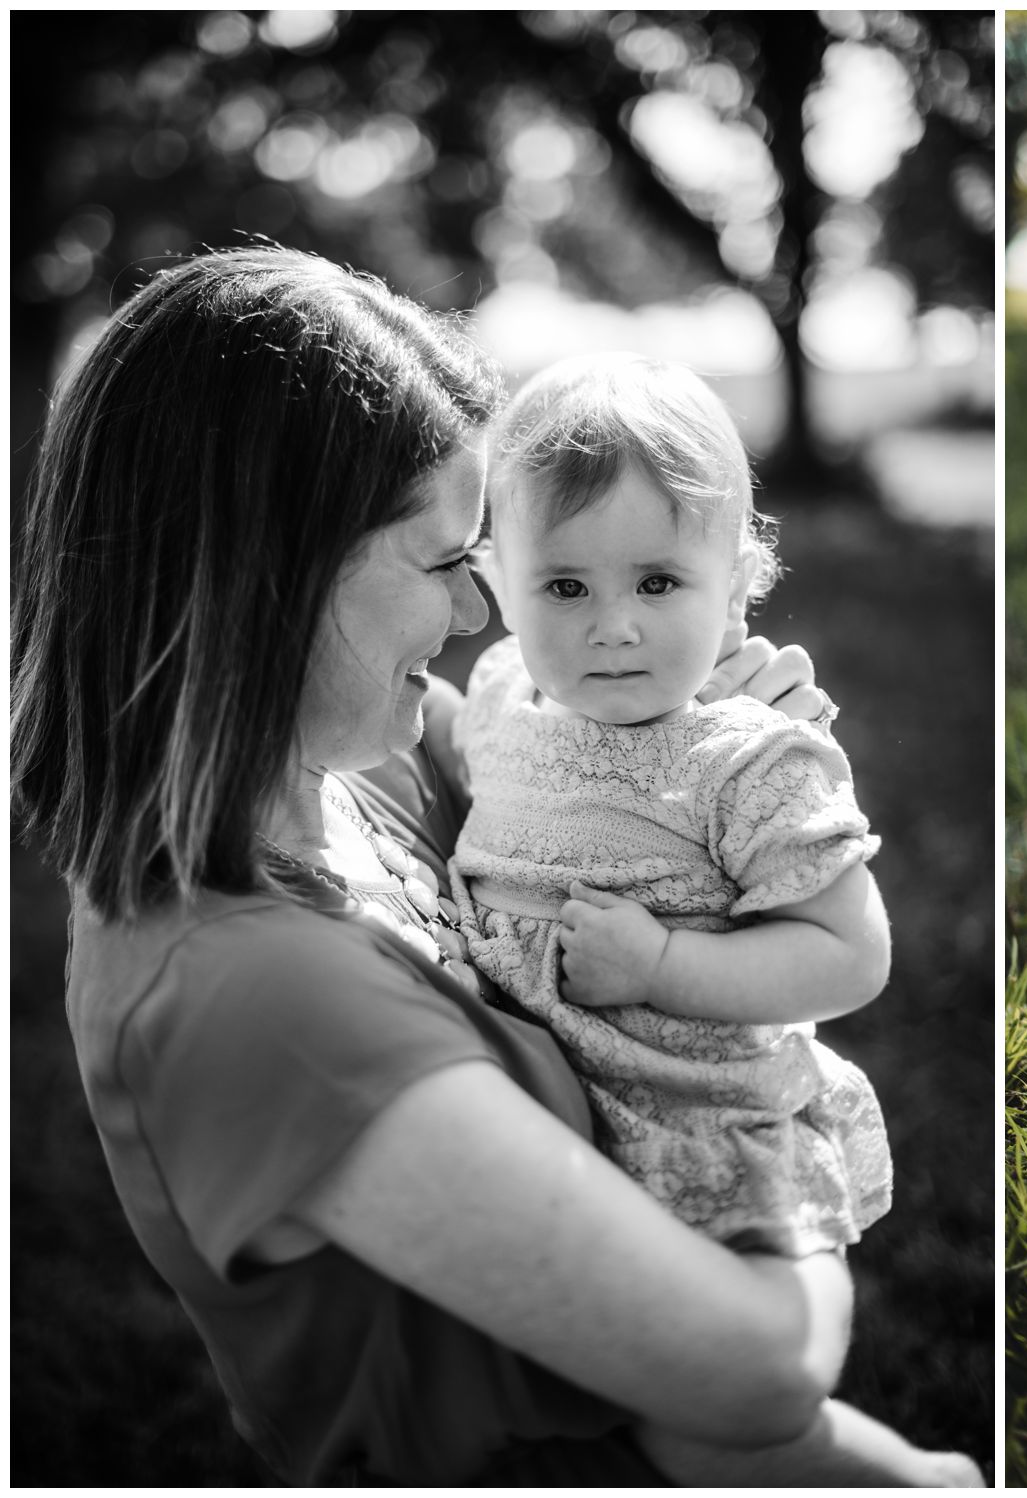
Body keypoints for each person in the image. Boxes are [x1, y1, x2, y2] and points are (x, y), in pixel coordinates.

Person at [9, 246, 895, 1485]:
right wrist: (793, 1146)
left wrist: (719, 733)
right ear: (268, 578)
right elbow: (754, 1368)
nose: (484, 618)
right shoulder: (257, 996)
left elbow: (587, 763)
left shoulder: (358, 759)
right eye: (443, 562)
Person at [443, 351, 974, 1485]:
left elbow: (850, 953)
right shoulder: (502, 701)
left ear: (736, 584)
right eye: (565, 588)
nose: (612, 629)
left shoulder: (751, 759)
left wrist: (664, 961)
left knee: (707, 1426)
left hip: (704, 1132)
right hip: (555, 1136)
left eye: (657, 583)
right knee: (594, 1415)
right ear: (498, 579)